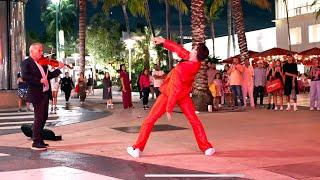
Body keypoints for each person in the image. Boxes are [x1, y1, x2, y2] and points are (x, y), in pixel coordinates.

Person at [127, 37, 214, 158]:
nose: (192, 48)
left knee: (149, 121)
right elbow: (179, 50)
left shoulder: (182, 68)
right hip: (183, 95)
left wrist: (169, 108)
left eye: (194, 48)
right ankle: (207, 148)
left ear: (195, 53)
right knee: (194, 121)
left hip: (170, 94)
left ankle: (137, 148)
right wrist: (163, 41)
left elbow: (175, 88)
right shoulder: (195, 62)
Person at [21, 43, 64, 150]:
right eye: (39, 51)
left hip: (45, 93)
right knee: (39, 117)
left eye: (41, 50)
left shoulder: (43, 63)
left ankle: (40, 139)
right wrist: (39, 80)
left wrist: (59, 69)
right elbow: (25, 76)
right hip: (36, 94)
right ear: (32, 52)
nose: (41, 52)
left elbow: (48, 75)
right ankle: (35, 141)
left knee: (44, 117)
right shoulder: (26, 63)